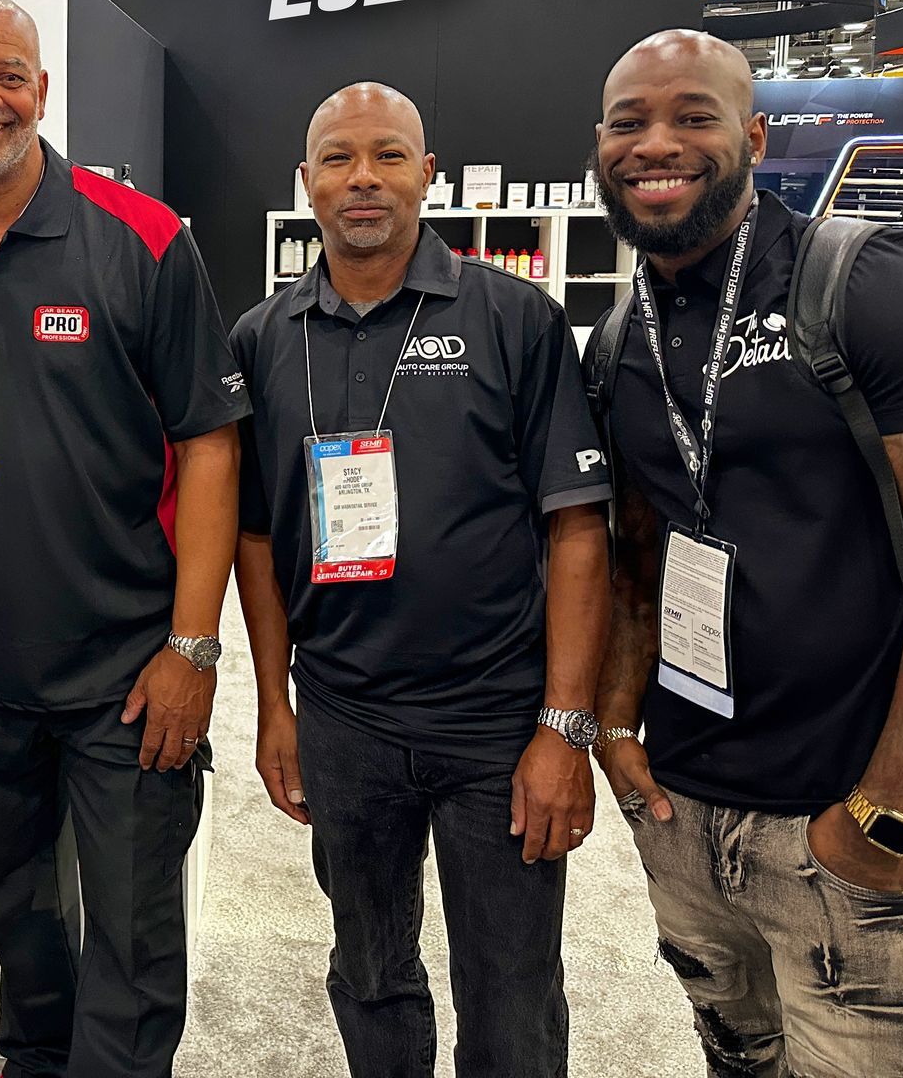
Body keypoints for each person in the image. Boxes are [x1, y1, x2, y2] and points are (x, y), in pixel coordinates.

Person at [591, 29, 903, 1075]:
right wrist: (619, 725)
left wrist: (884, 817)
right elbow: (639, 552)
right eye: (629, 122)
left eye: (692, 115)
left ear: (755, 136)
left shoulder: (872, 284)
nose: (656, 144)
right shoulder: (621, 335)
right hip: (686, 801)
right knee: (737, 1058)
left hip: (849, 821)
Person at [0, 0, 247, 1078]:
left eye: (7, 74)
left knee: (131, 939)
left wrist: (193, 648)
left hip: (133, 671)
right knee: (16, 908)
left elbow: (212, 445)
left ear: (42, 89)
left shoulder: (146, 240)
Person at [230, 83, 611, 1077]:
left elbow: (577, 530)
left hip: (495, 719)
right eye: (341, 158)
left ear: (427, 174)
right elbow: (258, 541)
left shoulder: (516, 319)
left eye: (390, 155)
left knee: (512, 986)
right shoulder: (264, 337)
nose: (364, 178)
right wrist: (275, 705)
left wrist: (564, 726)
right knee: (368, 969)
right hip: (344, 715)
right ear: (305, 183)